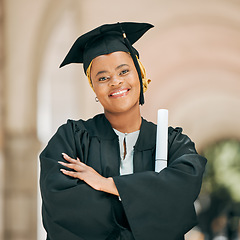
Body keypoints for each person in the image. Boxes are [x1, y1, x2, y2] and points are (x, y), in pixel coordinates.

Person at [39, 22, 207, 240]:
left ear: (140, 73)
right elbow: (62, 207)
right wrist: (147, 200)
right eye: (102, 77)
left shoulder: (172, 142)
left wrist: (107, 185)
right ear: (94, 88)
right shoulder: (71, 139)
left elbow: (183, 188)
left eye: (124, 71)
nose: (115, 82)